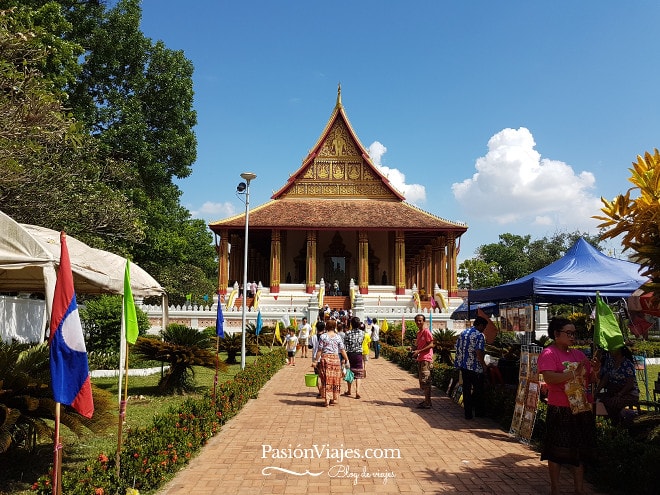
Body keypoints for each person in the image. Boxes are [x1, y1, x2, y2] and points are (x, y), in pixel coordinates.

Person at [538, 317, 597, 495]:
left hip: (580, 408)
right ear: (557, 334)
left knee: (579, 450)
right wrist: (573, 373)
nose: (572, 337)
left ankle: (579, 489)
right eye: (568, 333)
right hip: (560, 408)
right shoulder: (549, 353)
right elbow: (549, 378)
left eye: (574, 333)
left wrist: (595, 370)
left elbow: (590, 379)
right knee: (556, 451)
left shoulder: (578, 355)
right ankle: (555, 489)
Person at [454, 316, 488, 419]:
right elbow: (479, 351)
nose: (484, 329)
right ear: (480, 325)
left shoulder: (463, 333)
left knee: (467, 389)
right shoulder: (479, 335)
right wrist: (483, 365)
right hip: (475, 367)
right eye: (484, 327)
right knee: (478, 390)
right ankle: (479, 412)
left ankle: (468, 413)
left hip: (464, 366)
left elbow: (457, 348)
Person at [597, 345, 639, 425]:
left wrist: (619, 394)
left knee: (612, 403)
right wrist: (597, 390)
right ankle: (609, 423)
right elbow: (605, 378)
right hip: (614, 392)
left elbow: (629, 384)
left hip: (628, 393)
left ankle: (618, 424)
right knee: (599, 401)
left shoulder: (627, 364)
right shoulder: (610, 362)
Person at [313, 319, 349, 407]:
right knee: (334, 380)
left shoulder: (323, 336)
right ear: (335, 327)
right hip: (335, 360)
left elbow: (319, 350)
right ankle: (333, 398)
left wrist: (315, 361)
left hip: (325, 359)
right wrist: (346, 359)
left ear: (327, 327)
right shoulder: (337, 337)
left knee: (325, 379)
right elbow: (342, 350)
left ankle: (326, 400)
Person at [411, 313, 434, 409]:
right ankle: (426, 401)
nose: (418, 322)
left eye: (420, 320)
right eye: (417, 321)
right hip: (421, 358)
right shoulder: (419, 333)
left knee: (426, 380)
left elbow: (432, 344)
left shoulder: (426, 332)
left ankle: (428, 402)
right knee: (422, 381)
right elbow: (419, 345)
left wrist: (419, 351)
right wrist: (413, 349)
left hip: (426, 359)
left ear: (424, 321)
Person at [343, 316, 365, 399]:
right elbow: (361, 342)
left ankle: (349, 390)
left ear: (351, 324)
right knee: (358, 373)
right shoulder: (362, 333)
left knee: (350, 372)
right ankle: (358, 391)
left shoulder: (348, 333)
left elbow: (345, 345)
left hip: (350, 354)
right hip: (359, 354)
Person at [310, 320, 325, 398]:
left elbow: (310, 346)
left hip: (315, 358)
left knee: (317, 375)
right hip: (324, 358)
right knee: (323, 375)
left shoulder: (313, 337)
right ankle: (323, 391)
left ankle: (320, 391)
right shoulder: (326, 336)